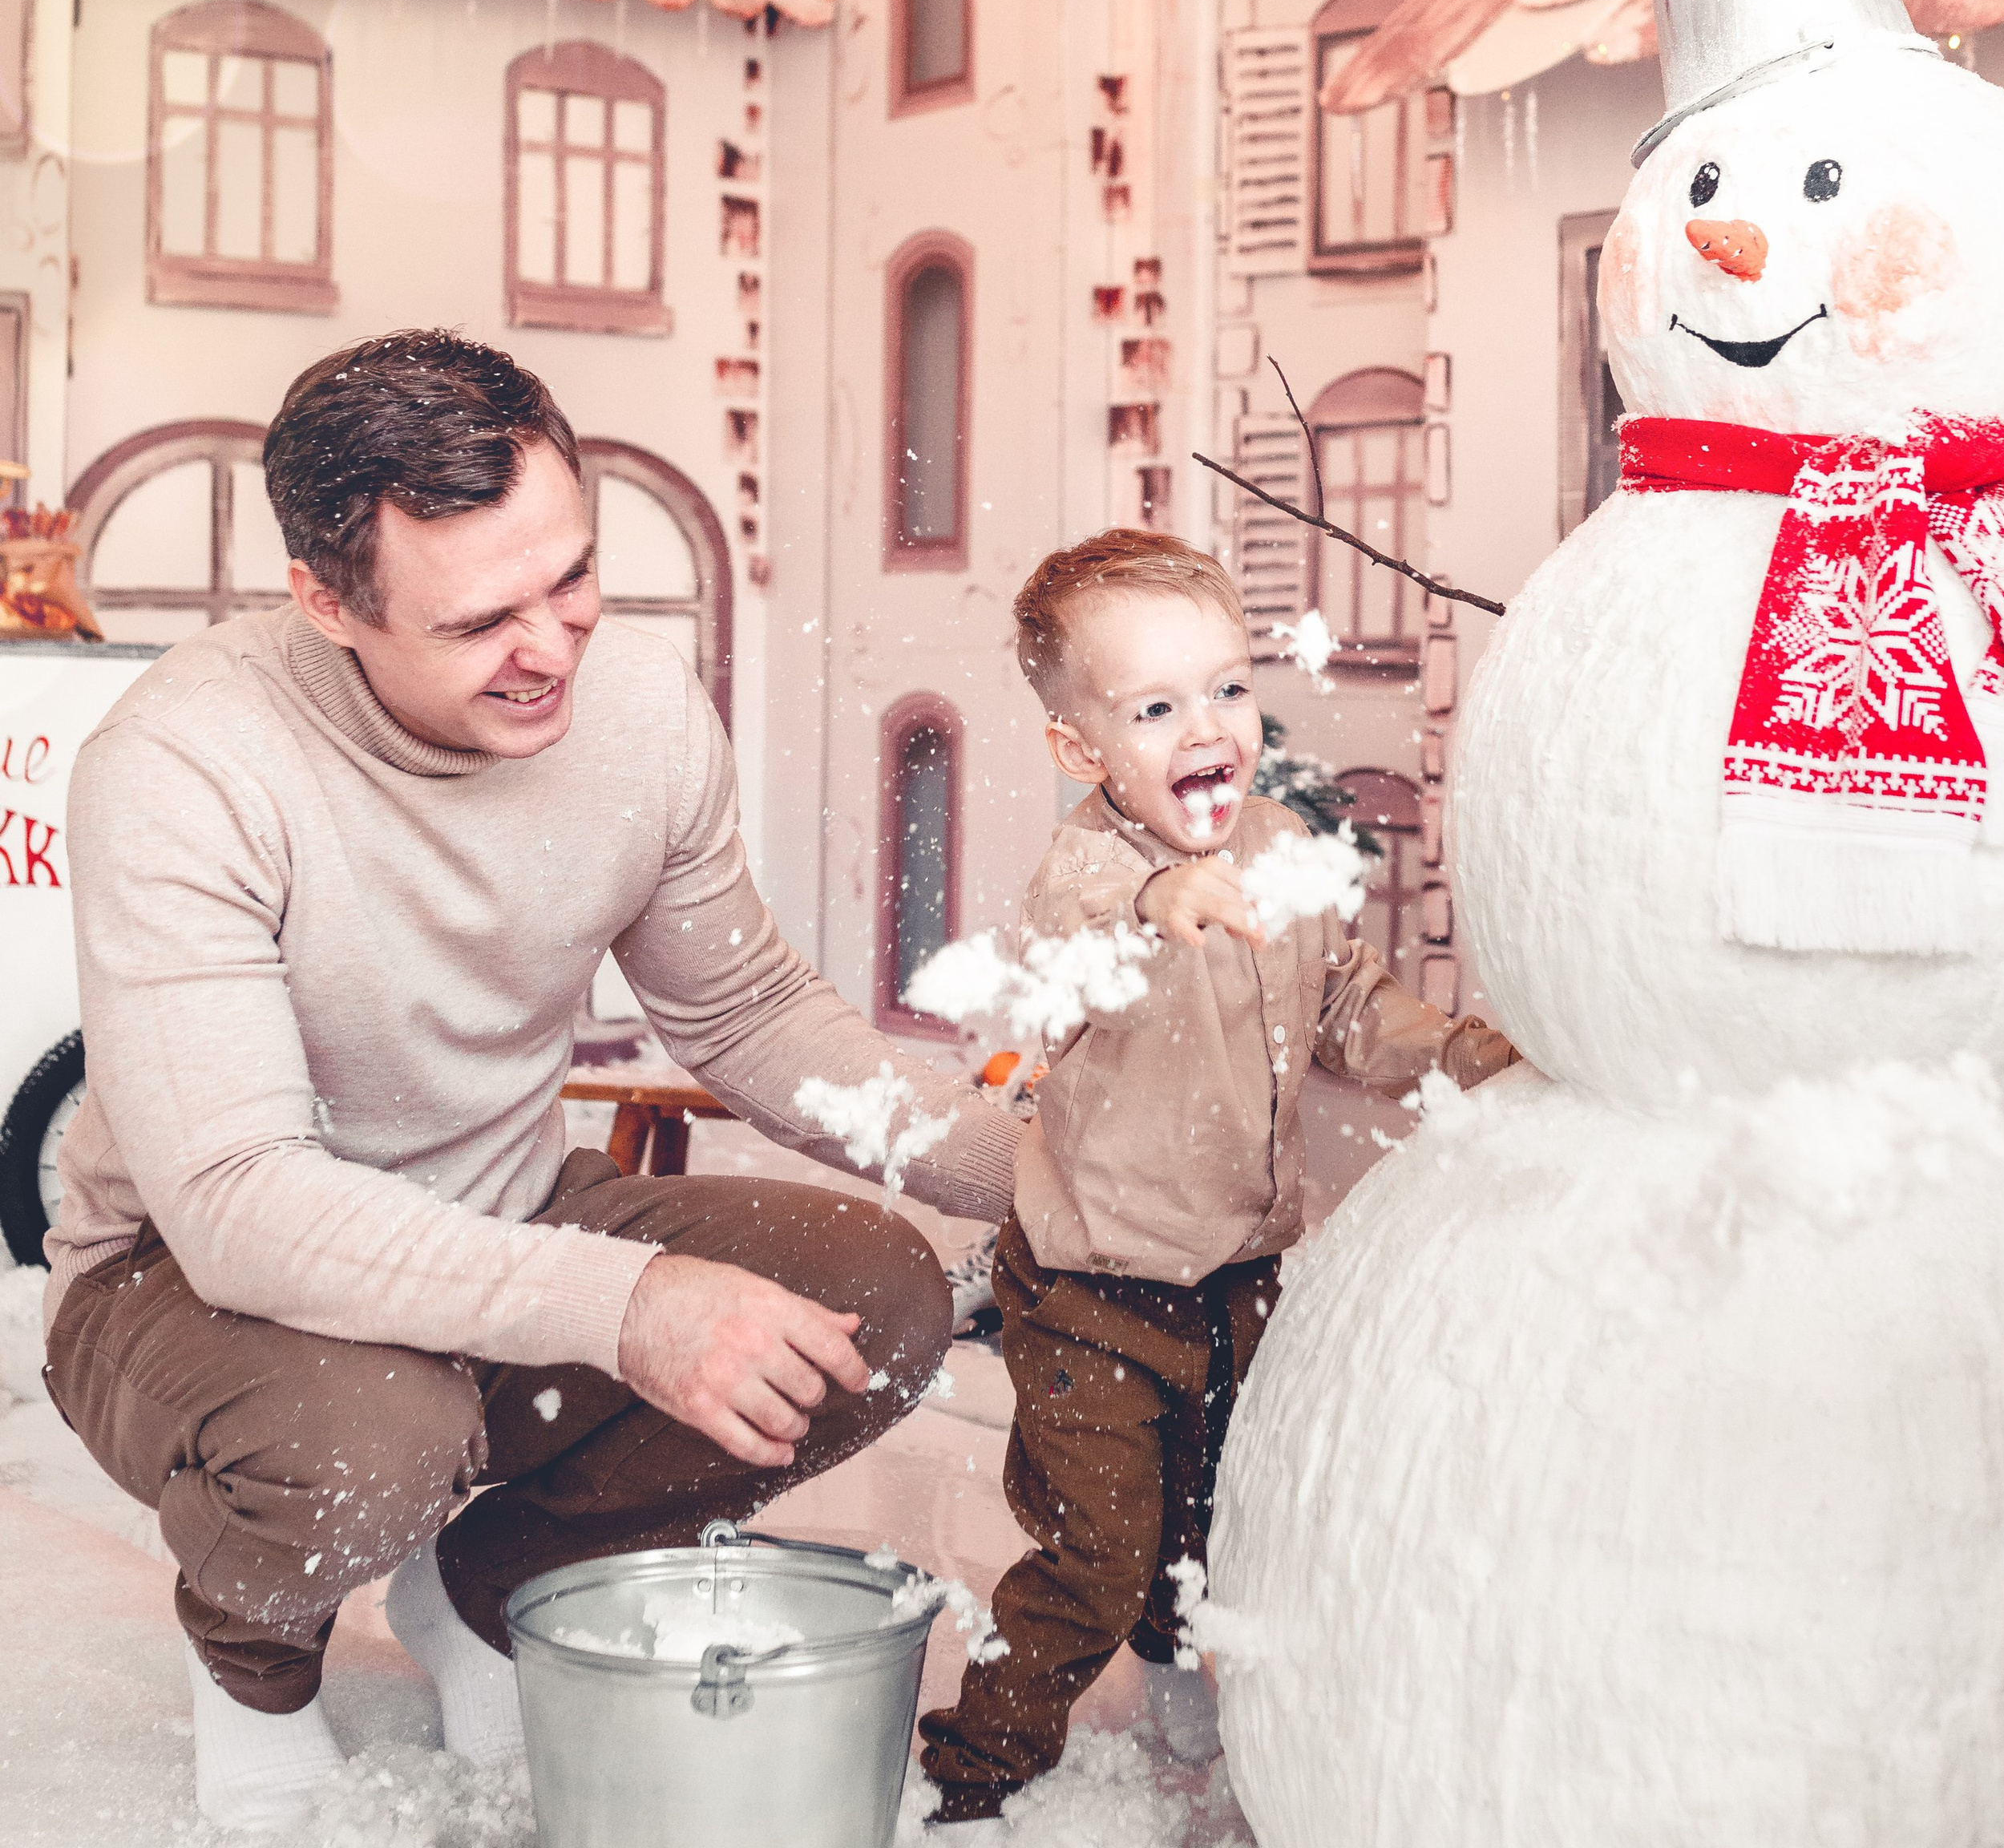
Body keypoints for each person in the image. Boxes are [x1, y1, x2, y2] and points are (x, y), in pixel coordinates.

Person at [42, 332, 1019, 1833]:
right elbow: (238, 1204)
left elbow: (749, 1010)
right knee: (374, 1438)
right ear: (327, 601)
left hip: (502, 1202)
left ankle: (484, 1588)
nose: (552, 647)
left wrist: (1050, 1175)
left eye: (571, 578)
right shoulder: (185, 763)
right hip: (184, 1277)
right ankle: (254, 1668)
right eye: (482, 618)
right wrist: (626, 1309)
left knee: (869, 1308)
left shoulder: (632, 715)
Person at [916, 530, 1518, 1834]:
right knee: (1096, 1548)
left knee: (1215, 1515)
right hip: (1089, 1290)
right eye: (1156, 707)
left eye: (1228, 688)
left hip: (1237, 1274)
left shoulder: (1282, 844)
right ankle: (975, 1769)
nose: (1209, 727)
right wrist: (1158, 902)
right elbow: (1070, 947)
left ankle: (1184, 1699)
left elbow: (1350, 1006)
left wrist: (1474, 1057)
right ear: (1082, 750)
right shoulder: (1089, 872)